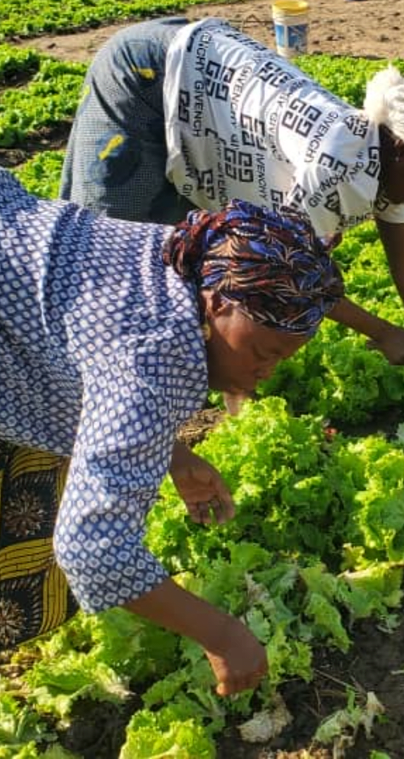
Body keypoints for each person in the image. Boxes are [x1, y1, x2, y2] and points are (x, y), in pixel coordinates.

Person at [0, 168, 344, 695]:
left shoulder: (182, 256)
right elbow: (93, 546)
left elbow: (87, 348)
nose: (266, 371)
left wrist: (172, 452)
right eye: (261, 352)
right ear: (219, 303)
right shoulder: (161, 355)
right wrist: (223, 635)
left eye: (281, 358)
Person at [58, 16, 404, 407]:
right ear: (402, 150)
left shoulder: (386, 166)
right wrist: (383, 331)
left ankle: (211, 378)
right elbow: (293, 276)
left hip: (203, 83)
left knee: (195, 246)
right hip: (147, 76)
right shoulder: (335, 167)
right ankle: (86, 388)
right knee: (118, 255)